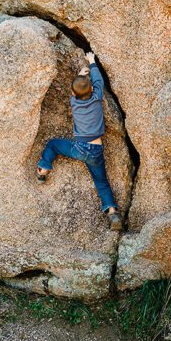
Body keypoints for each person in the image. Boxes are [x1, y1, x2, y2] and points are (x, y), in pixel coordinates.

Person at [36, 52, 123, 231]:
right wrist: (91, 63)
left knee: (53, 144)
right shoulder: (97, 96)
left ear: (73, 93)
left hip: (79, 149)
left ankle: (43, 170)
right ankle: (112, 212)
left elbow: (77, 89)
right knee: (101, 182)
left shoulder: (74, 102)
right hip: (96, 150)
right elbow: (99, 82)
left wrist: (81, 75)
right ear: (92, 90)